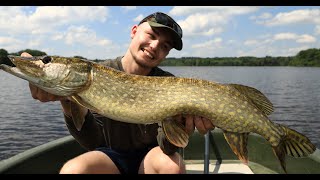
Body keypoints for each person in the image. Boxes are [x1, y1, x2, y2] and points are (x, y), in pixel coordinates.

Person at [23, 12, 214, 174]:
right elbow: (92, 142)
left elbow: (167, 147)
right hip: (111, 156)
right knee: (73, 170)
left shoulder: (170, 84)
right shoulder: (96, 75)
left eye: (165, 46)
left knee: (172, 166)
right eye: (151, 35)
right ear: (134, 32)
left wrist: (182, 128)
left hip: (152, 156)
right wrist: (68, 103)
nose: (155, 46)